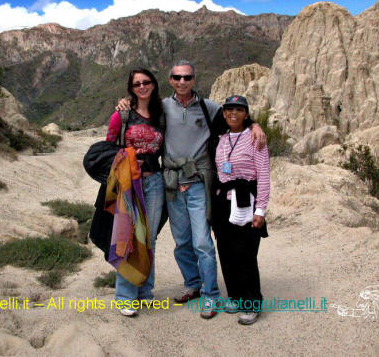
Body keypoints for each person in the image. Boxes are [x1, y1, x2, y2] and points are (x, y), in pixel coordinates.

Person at [118, 60, 266, 319]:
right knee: (182, 241)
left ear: (194, 80)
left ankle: (211, 295)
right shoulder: (162, 107)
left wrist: (255, 125)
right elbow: (138, 112)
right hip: (171, 183)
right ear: (171, 80)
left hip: (198, 182)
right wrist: (124, 102)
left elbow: (235, 118)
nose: (182, 82)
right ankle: (193, 283)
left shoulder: (208, 108)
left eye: (187, 77)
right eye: (177, 77)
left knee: (202, 242)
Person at [105, 68, 165, 317]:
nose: (142, 86)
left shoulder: (162, 114)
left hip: (155, 183)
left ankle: (145, 291)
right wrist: (127, 158)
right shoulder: (122, 115)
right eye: (137, 83)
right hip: (130, 184)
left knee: (149, 238)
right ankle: (125, 296)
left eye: (146, 82)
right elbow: (107, 149)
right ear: (131, 88)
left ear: (153, 84)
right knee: (128, 236)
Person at [212, 95, 270, 325]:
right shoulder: (221, 137)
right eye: (228, 110)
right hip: (222, 202)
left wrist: (261, 210)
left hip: (246, 200)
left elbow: (263, 175)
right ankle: (234, 296)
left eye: (238, 109)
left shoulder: (255, 139)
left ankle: (252, 302)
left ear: (246, 113)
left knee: (245, 253)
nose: (232, 114)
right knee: (225, 251)